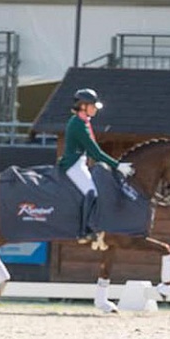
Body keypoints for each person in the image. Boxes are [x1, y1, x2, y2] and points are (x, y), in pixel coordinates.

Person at [58, 88, 135, 239]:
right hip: (73, 165)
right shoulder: (78, 124)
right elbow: (96, 153)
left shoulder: (83, 121)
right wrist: (117, 165)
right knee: (91, 191)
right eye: (92, 106)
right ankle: (85, 230)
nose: (95, 109)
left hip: (81, 163)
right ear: (83, 106)